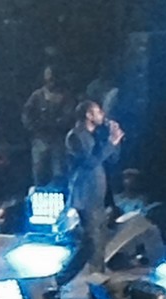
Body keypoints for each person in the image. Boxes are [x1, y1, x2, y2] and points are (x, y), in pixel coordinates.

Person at [55, 100, 124, 286]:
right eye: (98, 111)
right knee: (91, 242)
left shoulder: (95, 135)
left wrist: (115, 140)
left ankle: (97, 283)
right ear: (88, 115)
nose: (102, 115)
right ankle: (61, 279)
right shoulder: (75, 136)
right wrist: (110, 143)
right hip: (85, 196)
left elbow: (112, 159)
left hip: (98, 195)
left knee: (98, 242)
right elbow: (90, 162)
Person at [22, 65, 75, 187]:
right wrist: (34, 126)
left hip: (58, 140)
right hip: (40, 140)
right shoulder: (37, 96)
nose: (51, 80)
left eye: (53, 77)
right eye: (49, 77)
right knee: (39, 171)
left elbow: (68, 116)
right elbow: (26, 114)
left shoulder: (65, 96)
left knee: (59, 172)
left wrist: (55, 125)